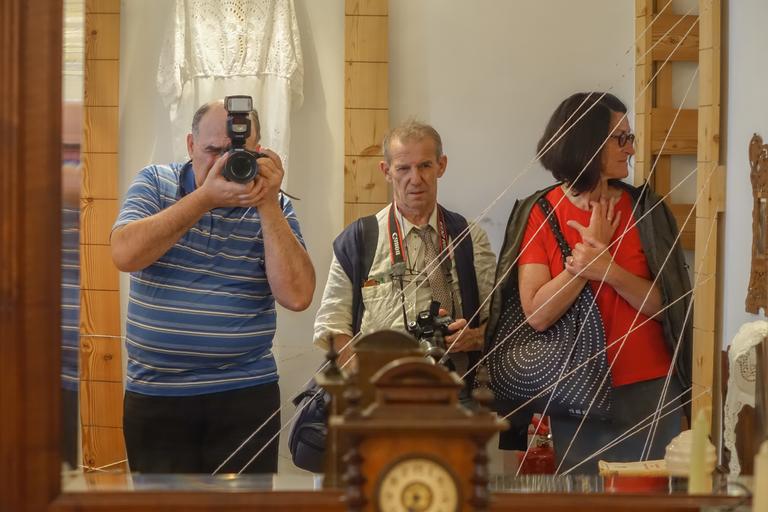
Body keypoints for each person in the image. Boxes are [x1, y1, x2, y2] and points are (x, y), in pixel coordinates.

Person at [487, 92, 692, 473]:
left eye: (630, 137)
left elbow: (671, 307)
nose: (631, 149)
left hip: (652, 385)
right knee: (583, 494)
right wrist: (581, 266)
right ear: (588, 143)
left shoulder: (647, 209)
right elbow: (537, 315)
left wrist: (608, 269)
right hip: (577, 388)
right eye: (621, 138)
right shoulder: (539, 211)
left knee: (652, 494)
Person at [111, 100, 315, 474]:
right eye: (213, 151)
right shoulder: (155, 182)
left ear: (258, 151)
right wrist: (203, 199)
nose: (224, 163)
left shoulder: (272, 205)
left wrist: (268, 203)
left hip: (245, 392)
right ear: (190, 145)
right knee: (161, 503)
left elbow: (298, 296)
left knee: (244, 503)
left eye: (236, 153)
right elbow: (124, 254)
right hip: (158, 392)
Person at [313, 121, 496, 395]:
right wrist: (364, 383)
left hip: (455, 394)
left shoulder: (469, 237)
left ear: (441, 166)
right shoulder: (358, 240)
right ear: (386, 171)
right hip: (378, 396)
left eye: (425, 166)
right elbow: (332, 326)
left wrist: (475, 337)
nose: (416, 178)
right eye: (403, 168)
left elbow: (498, 319)